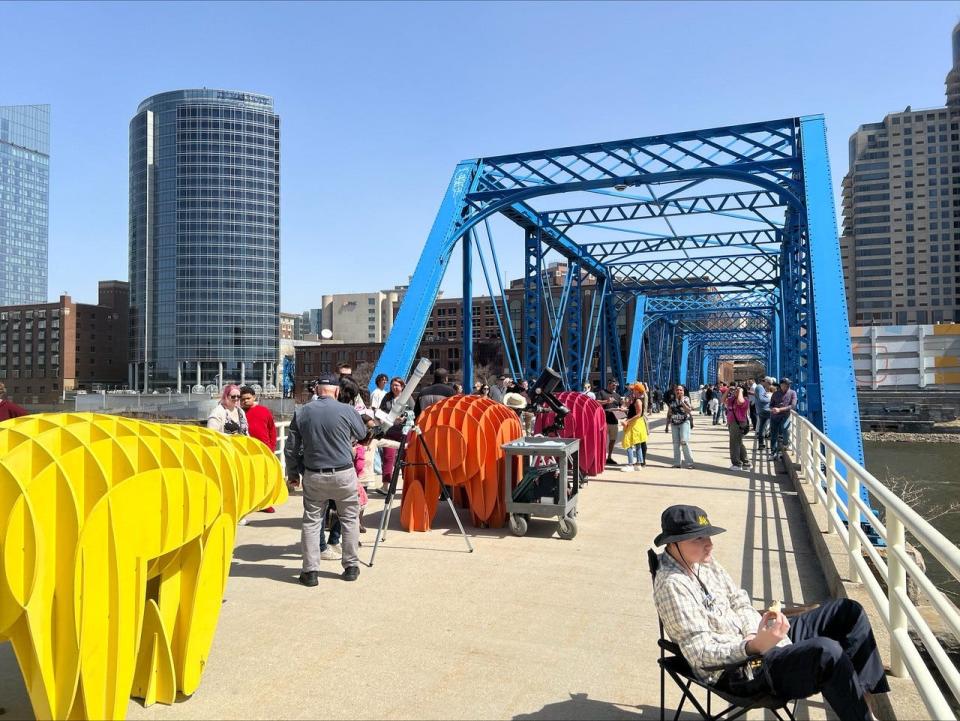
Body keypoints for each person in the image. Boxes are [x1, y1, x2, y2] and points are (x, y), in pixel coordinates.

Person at [652, 504, 889, 721]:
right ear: (673, 543)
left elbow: (739, 601)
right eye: (698, 538)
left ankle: (864, 706)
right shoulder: (673, 584)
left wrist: (757, 633)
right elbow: (700, 653)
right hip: (740, 669)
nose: (710, 544)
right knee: (827, 653)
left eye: (708, 536)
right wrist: (752, 647)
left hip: (757, 642)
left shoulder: (703, 562)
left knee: (847, 611)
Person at [285, 372, 367, 585]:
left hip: (314, 474)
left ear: (317, 390)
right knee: (349, 518)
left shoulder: (302, 412)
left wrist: (293, 474)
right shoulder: (347, 410)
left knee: (312, 521)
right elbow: (361, 433)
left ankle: (310, 572)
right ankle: (350, 567)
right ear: (337, 391)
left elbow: (291, 448)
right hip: (343, 473)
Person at [239, 385, 278, 513]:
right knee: (248, 479)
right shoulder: (239, 413)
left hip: (264, 451)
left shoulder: (264, 411)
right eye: (242, 399)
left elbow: (272, 430)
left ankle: (265, 503)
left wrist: (271, 447)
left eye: (248, 398)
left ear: (254, 397)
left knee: (265, 478)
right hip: (245, 451)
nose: (245, 401)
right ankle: (249, 503)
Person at [375, 376, 407, 496]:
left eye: (397, 385)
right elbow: (381, 411)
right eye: (392, 385)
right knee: (388, 458)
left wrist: (403, 419)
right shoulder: (387, 397)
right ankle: (385, 485)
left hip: (403, 432)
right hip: (389, 432)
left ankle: (406, 483)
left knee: (405, 459)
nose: (394, 387)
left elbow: (413, 413)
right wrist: (384, 417)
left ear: (402, 387)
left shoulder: (407, 398)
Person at [595, 378, 624, 465]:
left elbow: (620, 405)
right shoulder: (602, 392)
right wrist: (606, 401)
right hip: (604, 421)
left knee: (612, 440)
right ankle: (601, 457)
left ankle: (609, 457)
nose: (614, 387)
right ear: (609, 384)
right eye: (613, 385)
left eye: (615, 385)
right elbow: (596, 402)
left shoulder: (617, 396)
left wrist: (622, 407)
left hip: (614, 421)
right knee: (602, 440)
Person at [664, 384, 695, 469]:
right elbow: (669, 412)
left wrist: (682, 402)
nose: (679, 391)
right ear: (674, 391)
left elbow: (689, 410)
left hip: (684, 422)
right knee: (675, 444)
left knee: (684, 442)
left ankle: (689, 463)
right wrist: (667, 425)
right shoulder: (672, 401)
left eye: (681, 390)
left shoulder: (686, 399)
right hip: (674, 423)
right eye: (677, 390)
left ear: (683, 391)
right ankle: (677, 463)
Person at [620, 382, 648, 471]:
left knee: (628, 443)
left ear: (637, 391)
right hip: (637, 424)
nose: (632, 391)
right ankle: (638, 463)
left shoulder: (638, 400)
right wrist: (626, 408)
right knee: (637, 443)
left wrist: (627, 421)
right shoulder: (637, 399)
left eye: (633, 390)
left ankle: (630, 464)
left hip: (635, 424)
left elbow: (639, 414)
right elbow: (634, 411)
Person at [769, 378, 798, 459]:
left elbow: (793, 406)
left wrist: (780, 409)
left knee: (785, 428)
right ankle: (773, 453)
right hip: (774, 416)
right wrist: (773, 409)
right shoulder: (775, 394)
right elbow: (771, 405)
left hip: (785, 415)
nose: (788, 386)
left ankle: (785, 444)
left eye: (789, 384)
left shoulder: (793, 393)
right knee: (774, 435)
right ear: (781, 385)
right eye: (786, 384)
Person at [725, 383, 752, 470]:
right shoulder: (732, 399)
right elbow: (722, 400)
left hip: (738, 423)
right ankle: (746, 462)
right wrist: (728, 390)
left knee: (734, 443)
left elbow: (740, 401)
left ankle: (737, 464)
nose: (735, 392)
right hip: (731, 422)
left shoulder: (745, 400)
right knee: (739, 443)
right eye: (735, 390)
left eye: (737, 391)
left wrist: (740, 391)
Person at [755, 377, 773, 450]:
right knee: (777, 423)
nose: (770, 386)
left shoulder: (760, 388)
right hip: (765, 409)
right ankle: (774, 445)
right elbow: (761, 399)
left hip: (761, 409)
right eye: (769, 384)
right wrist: (771, 399)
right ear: (765, 381)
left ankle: (761, 444)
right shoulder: (760, 387)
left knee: (762, 427)